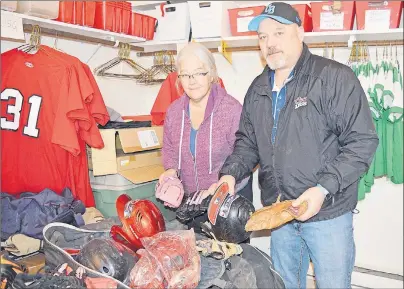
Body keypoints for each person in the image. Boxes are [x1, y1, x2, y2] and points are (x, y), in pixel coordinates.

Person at [215, 2, 379, 289]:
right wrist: (230, 174)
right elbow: (247, 143)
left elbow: (362, 141)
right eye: (263, 37)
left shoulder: (334, 78)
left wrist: (321, 190)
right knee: (286, 284)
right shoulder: (258, 88)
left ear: (300, 33)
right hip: (280, 214)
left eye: (278, 32)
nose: (270, 43)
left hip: (327, 214)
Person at [159, 42, 252, 232]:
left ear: (211, 74)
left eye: (199, 72)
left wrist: (220, 186)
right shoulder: (174, 112)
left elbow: (245, 153)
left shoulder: (231, 110)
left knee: (232, 258)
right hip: (192, 204)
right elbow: (169, 150)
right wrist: (170, 174)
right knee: (198, 257)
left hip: (229, 204)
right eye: (185, 75)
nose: (192, 81)